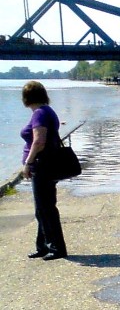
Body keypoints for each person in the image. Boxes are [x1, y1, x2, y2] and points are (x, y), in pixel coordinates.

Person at [20, 81, 68, 260]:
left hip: (43, 166)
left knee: (45, 209)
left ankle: (57, 248)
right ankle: (43, 246)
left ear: (26, 98)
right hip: (48, 165)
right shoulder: (47, 111)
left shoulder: (39, 113)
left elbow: (39, 141)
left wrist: (28, 163)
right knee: (42, 208)